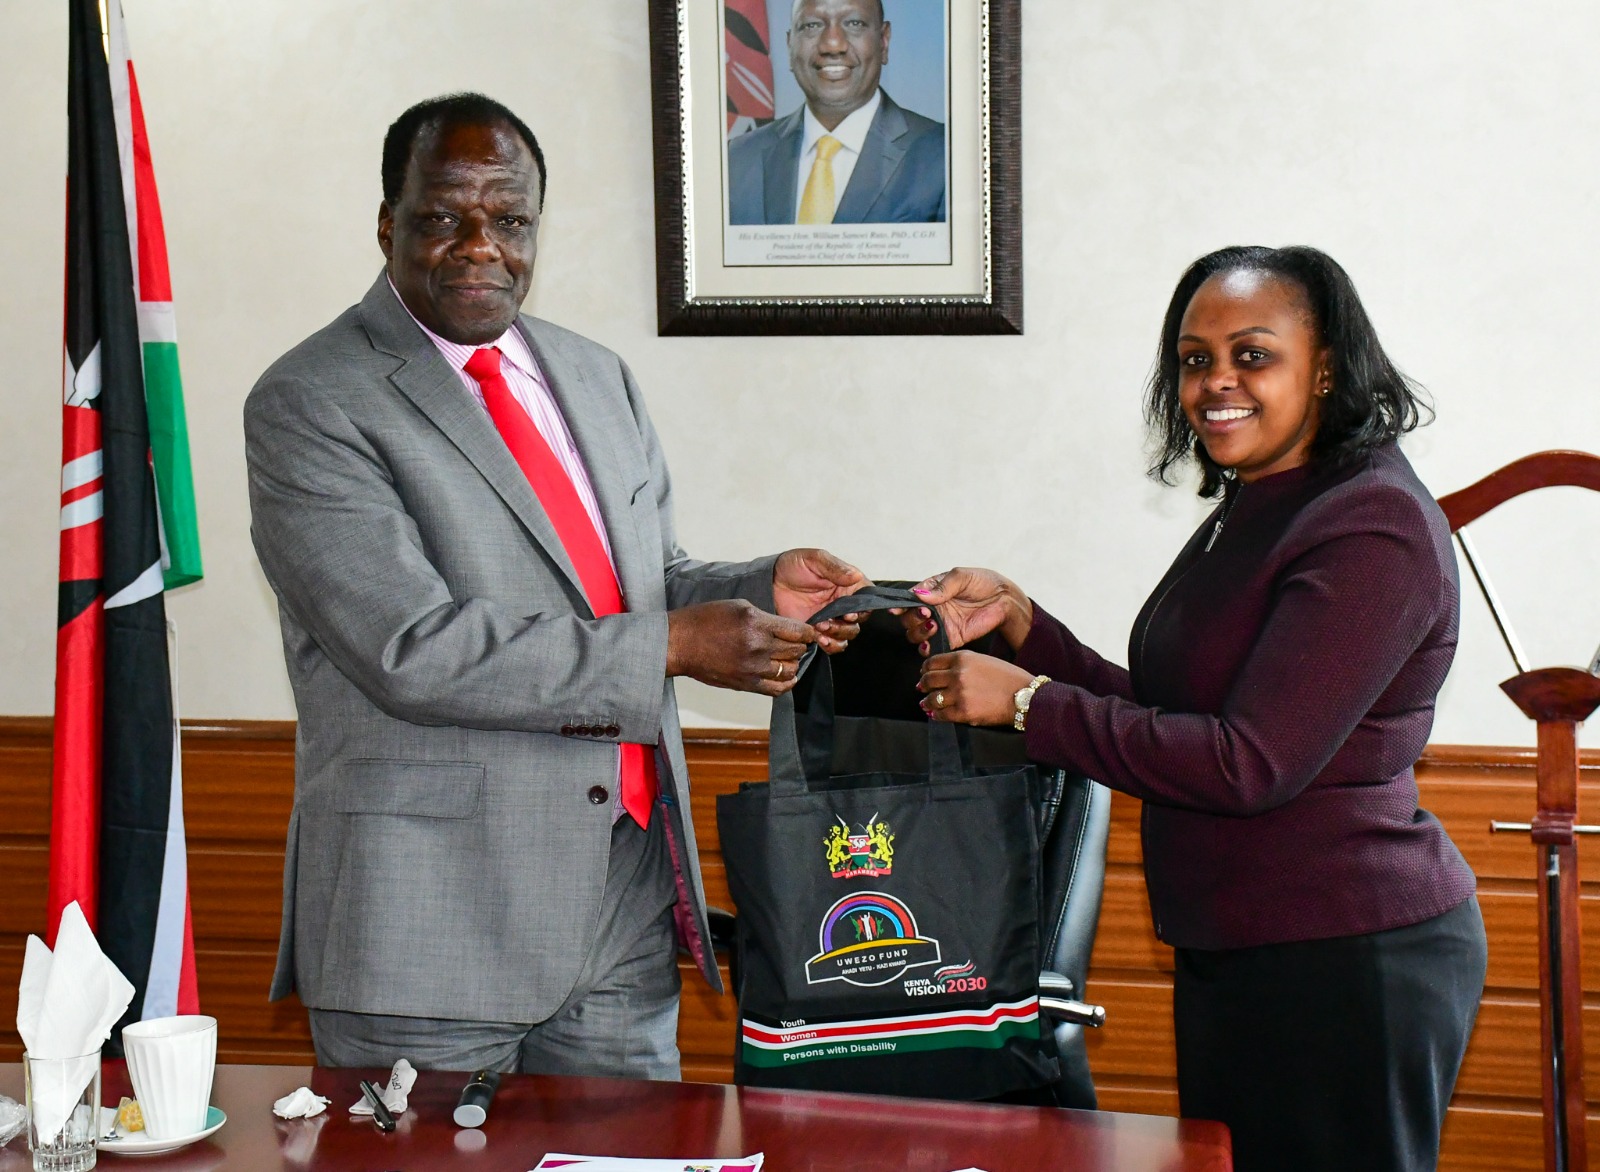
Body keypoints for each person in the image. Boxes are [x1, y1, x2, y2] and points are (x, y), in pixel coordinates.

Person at [244, 92, 868, 1077]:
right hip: (428, 927)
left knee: (630, 1150)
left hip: (622, 904)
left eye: (510, 218)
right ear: (387, 223)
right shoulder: (312, 399)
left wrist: (759, 588)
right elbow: (412, 647)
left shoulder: (593, 375)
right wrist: (674, 645)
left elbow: (639, 582)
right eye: (444, 215)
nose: (480, 245)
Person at [900, 246, 1487, 1172]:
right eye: (1193, 359)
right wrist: (1024, 628)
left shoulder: (1372, 523)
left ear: (1325, 367)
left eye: (1252, 355)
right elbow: (1177, 716)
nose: (1216, 382)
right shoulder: (1265, 501)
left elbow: (1247, 763)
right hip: (1246, 945)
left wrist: (1030, 708)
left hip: (1344, 957)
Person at [727, 0, 945, 225]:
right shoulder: (736, 160)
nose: (832, 44)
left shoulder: (945, 156)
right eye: (812, 25)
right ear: (790, 45)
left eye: (854, 23)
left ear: (883, 41)